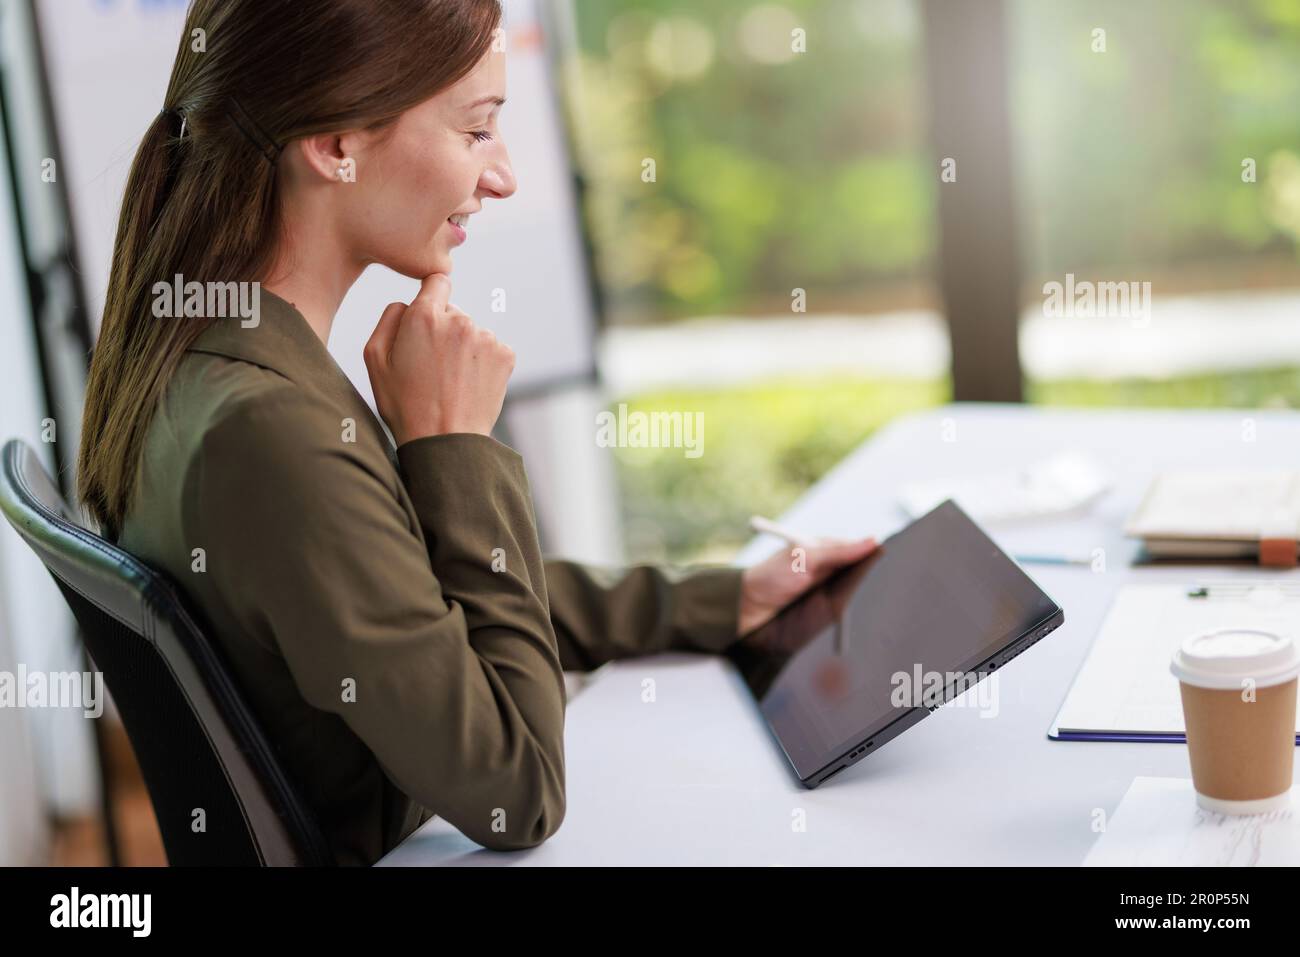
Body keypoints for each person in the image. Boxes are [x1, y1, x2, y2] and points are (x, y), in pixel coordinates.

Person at [76, 0, 875, 865]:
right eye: (477, 131)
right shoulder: (271, 433)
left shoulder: (200, 360)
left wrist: (721, 600)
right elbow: (521, 788)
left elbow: (412, 605)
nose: (504, 178)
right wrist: (450, 445)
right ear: (337, 144)